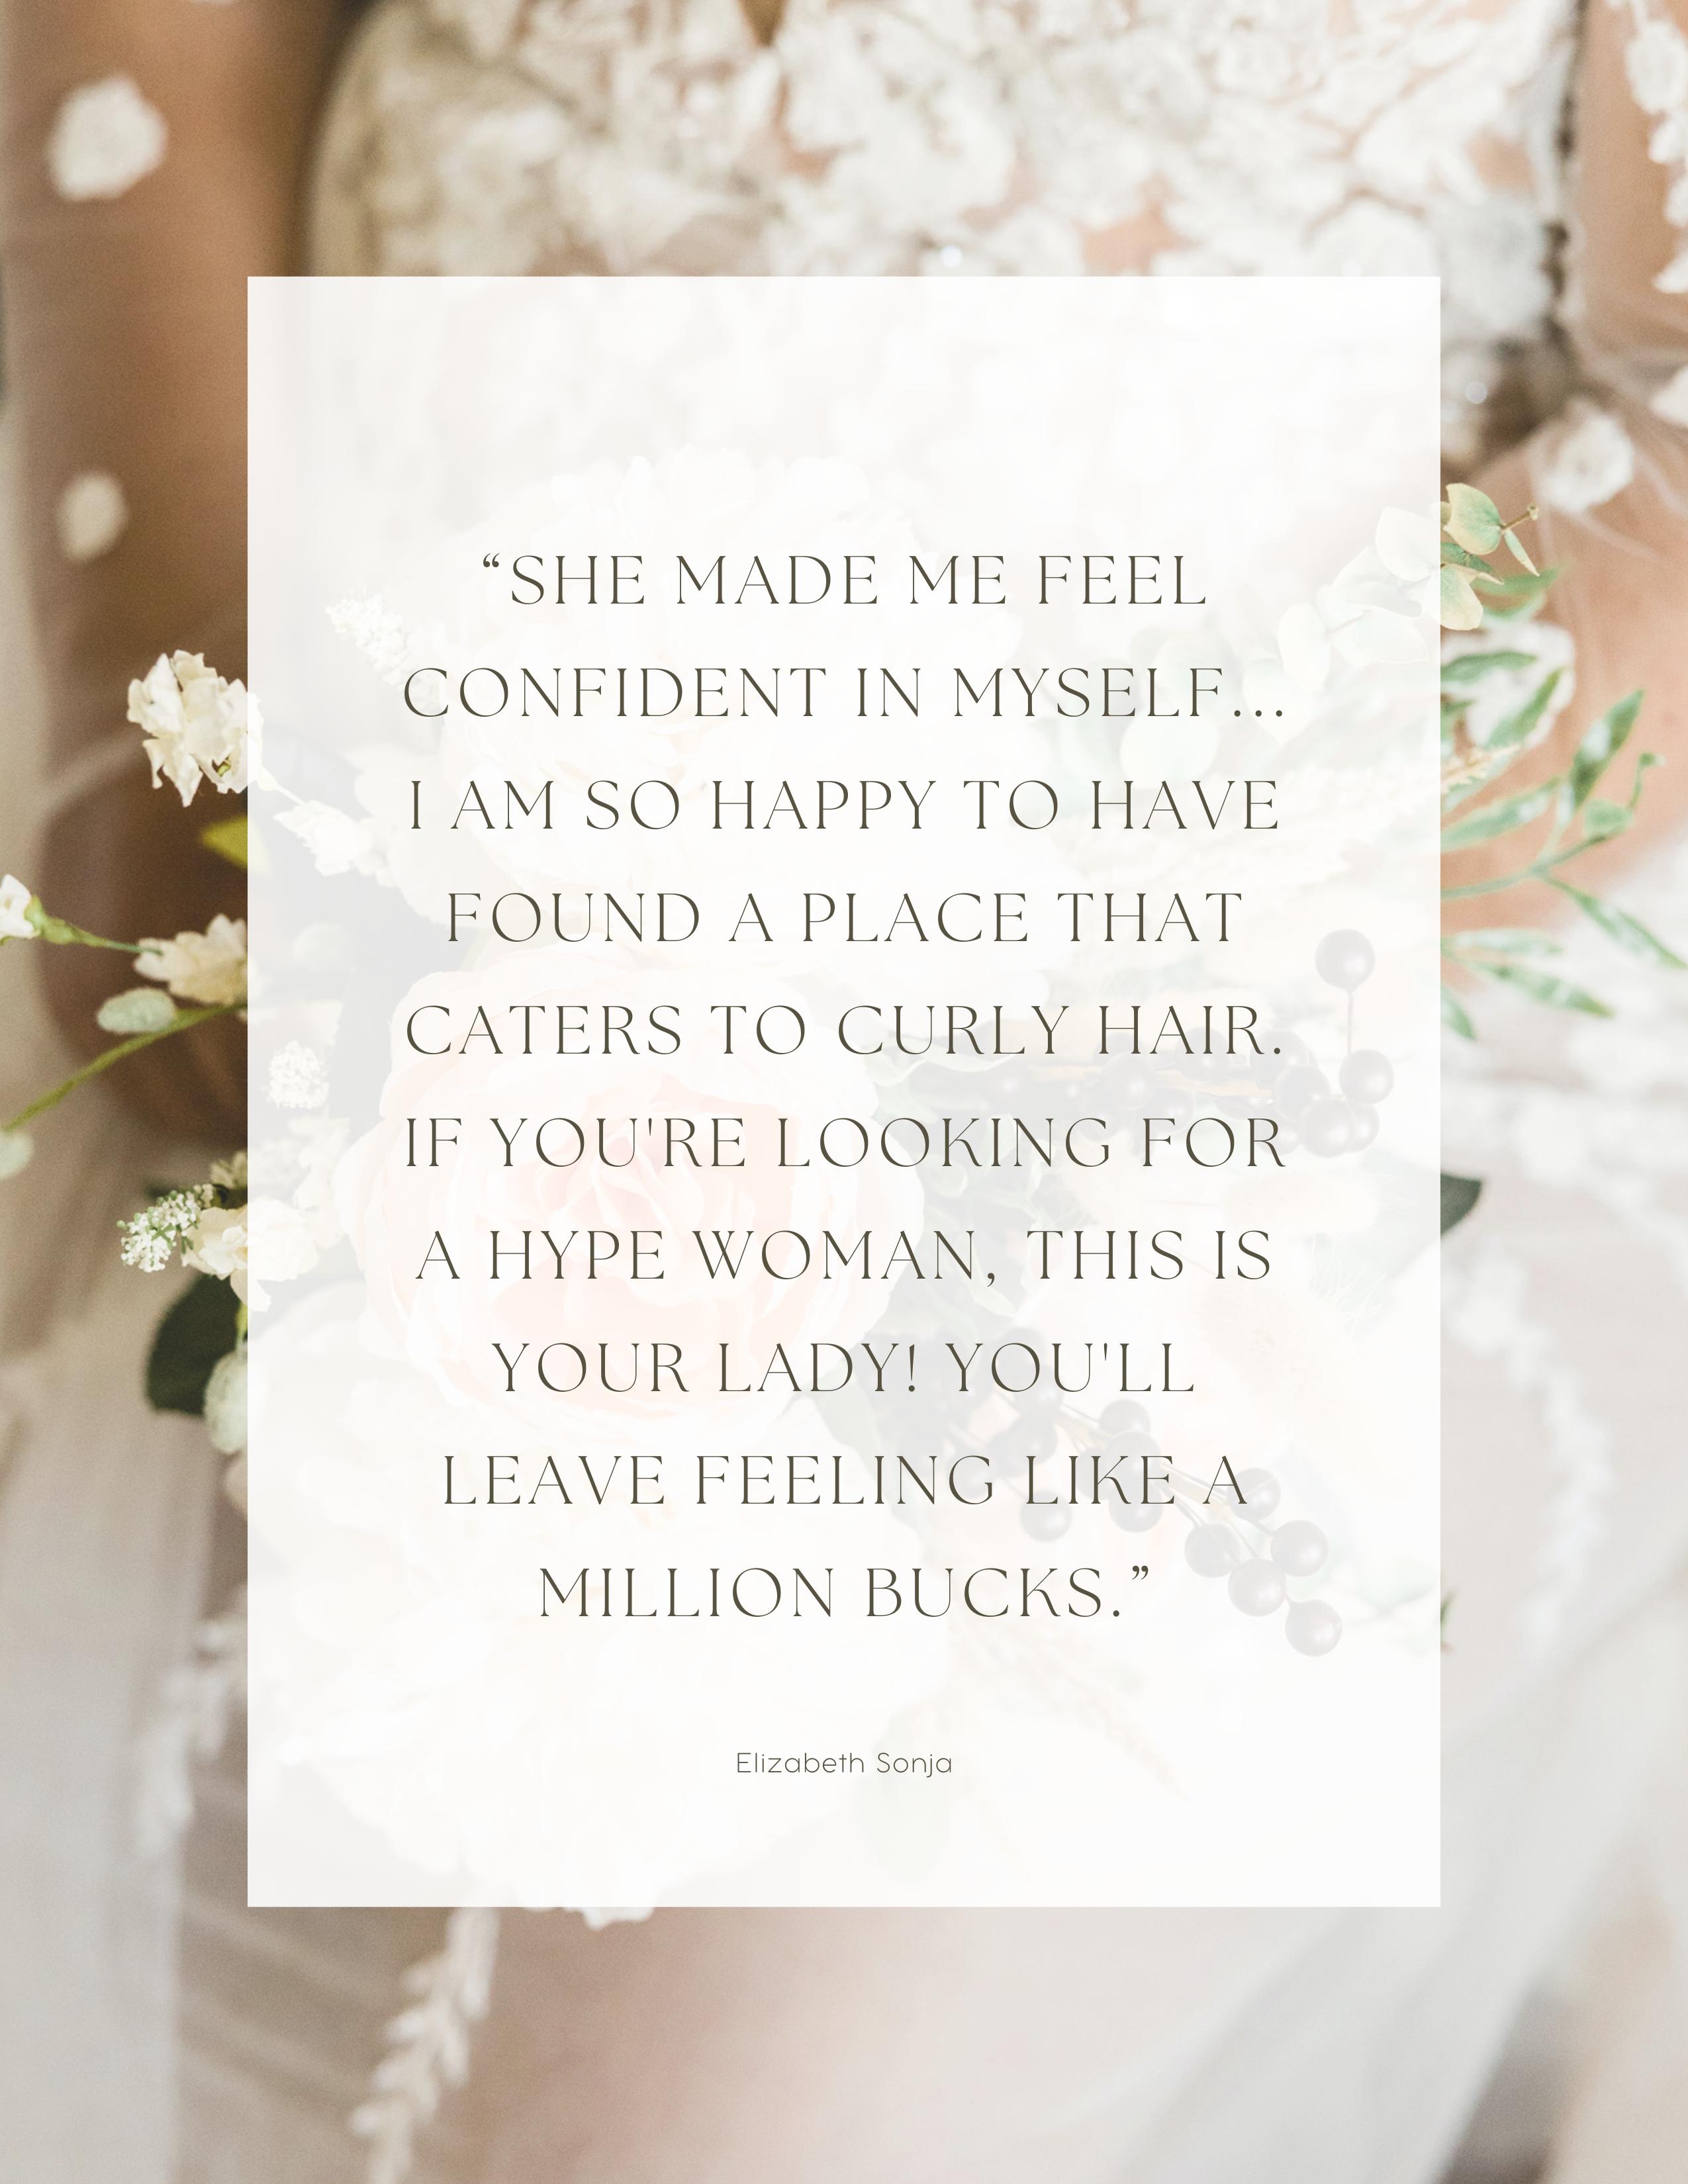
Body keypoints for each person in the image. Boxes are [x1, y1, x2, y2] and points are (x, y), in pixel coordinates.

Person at [1, 2, 1687, 2178]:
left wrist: (923, 965)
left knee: (707, 2074)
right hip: (354, 803)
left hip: (1313, 984)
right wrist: (164, 705)